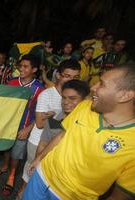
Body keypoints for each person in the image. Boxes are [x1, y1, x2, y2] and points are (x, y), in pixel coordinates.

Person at [23, 64, 135, 200]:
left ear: (124, 95)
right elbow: (62, 135)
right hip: (40, 177)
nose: (93, 87)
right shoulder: (84, 107)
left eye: (102, 84)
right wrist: (39, 159)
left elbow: (121, 195)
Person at [16, 59, 81, 199]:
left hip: (59, 143)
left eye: (76, 77)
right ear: (58, 75)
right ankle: (22, 192)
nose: (71, 80)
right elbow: (39, 123)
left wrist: (52, 114)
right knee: (31, 169)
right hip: (38, 140)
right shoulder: (46, 94)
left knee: (47, 175)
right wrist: (59, 113)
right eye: (67, 76)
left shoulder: (79, 96)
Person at [0, 54, 44, 196]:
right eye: (20, 66)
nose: (21, 69)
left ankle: (11, 176)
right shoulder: (12, 82)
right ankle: (4, 166)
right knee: (7, 147)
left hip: (24, 127)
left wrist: (28, 128)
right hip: (9, 125)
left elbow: (40, 113)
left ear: (34, 69)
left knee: (17, 153)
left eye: (25, 66)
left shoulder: (39, 89)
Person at [36, 80, 90, 157]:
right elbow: (43, 144)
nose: (65, 102)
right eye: (64, 98)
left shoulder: (91, 122)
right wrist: (36, 163)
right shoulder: (54, 118)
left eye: (72, 98)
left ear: (85, 100)